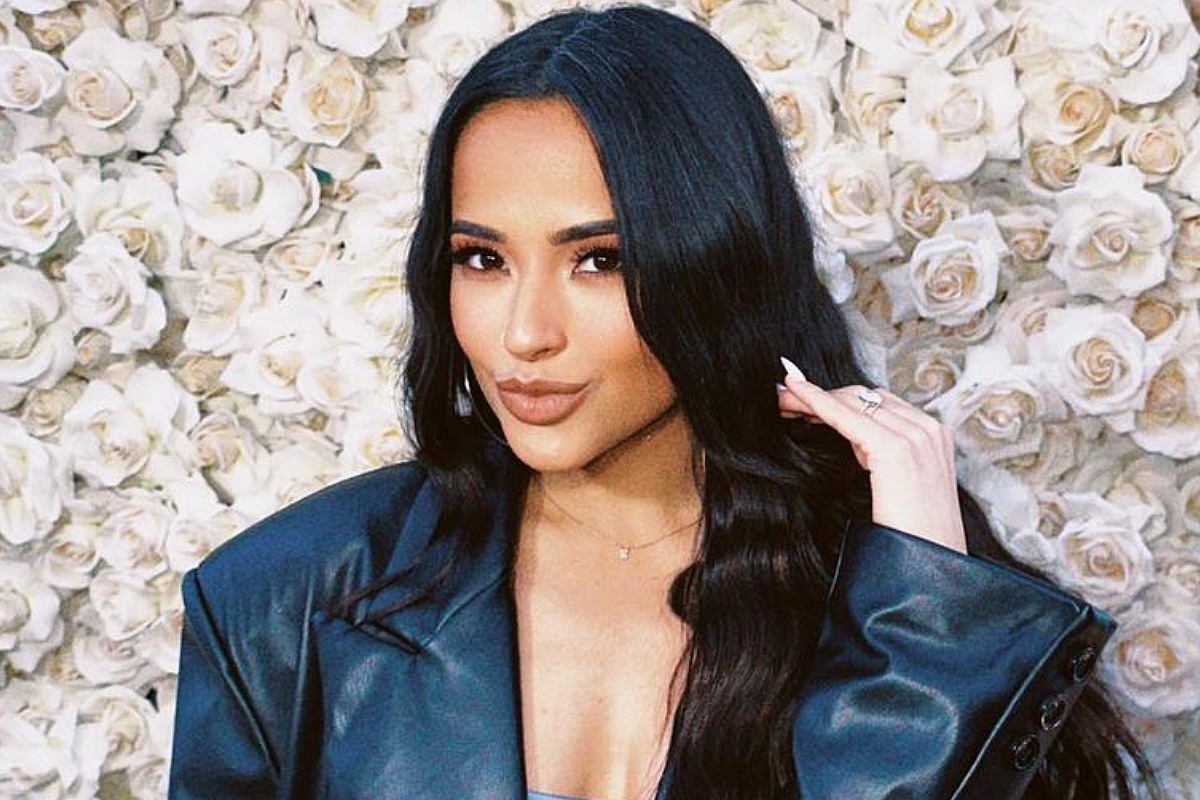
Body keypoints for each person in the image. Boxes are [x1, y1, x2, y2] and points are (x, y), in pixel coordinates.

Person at [168, 5, 1158, 800]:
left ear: (718, 267)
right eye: (483, 258)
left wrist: (932, 619)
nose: (525, 333)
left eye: (600, 260)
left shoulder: (886, 597)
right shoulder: (278, 600)